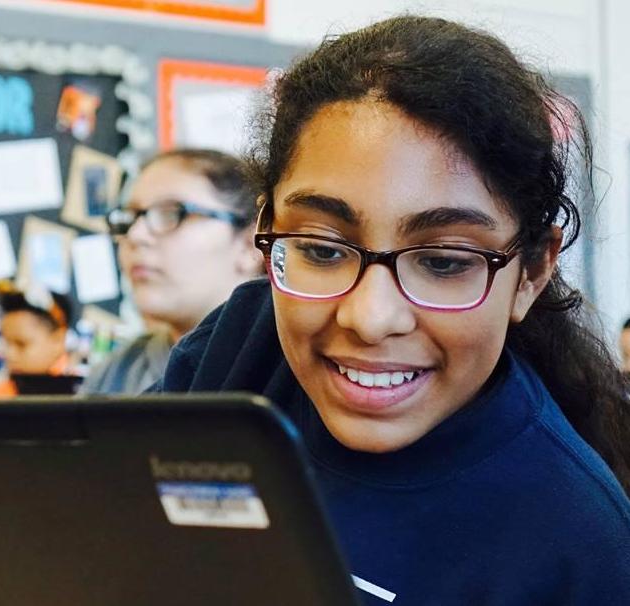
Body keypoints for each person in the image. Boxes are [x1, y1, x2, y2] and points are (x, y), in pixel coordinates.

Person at [154, 16, 630, 604]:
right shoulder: (237, 353)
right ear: (265, 229)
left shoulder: (580, 544)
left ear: (531, 271)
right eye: (323, 250)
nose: (371, 317)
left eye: (445, 262)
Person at [80, 148, 261, 393]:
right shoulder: (115, 374)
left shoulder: (287, 369)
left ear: (250, 244)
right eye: (129, 218)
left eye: (171, 213)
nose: (135, 235)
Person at [0, 280, 74, 397]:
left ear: (58, 340)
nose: (9, 355)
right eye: (6, 344)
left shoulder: (83, 393)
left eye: (21, 344)